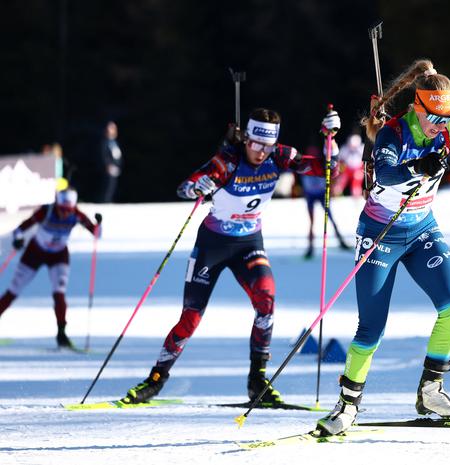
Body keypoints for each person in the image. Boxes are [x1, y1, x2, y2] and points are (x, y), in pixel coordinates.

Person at [315, 59, 450, 435]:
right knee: (371, 327)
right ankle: (347, 405)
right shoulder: (392, 132)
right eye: (433, 116)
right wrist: (419, 165)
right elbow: (385, 173)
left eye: (445, 116)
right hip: (381, 233)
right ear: (417, 107)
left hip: (421, 230)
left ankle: (431, 390)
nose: (440, 123)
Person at [121, 108, 341, 405]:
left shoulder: (280, 156)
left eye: (267, 145)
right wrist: (200, 186)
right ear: (246, 137)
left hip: (248, 243)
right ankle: (155, 380)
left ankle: (257, 381)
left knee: (266, 300)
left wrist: (330, 138)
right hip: (213, 245)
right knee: (191, 317)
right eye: (255, 144)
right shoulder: (227, 161)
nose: (261, 152)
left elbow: (328, 169)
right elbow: (185, 187)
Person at [0, 189, 101, 348]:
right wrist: (18, 240)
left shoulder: (77, 214)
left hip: (58, 254)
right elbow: (20, 229)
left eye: (68, 210)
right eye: (62, 209)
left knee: (59, 292)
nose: (65, 214)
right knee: (13, 290)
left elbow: (96, 233)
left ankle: (62, 334)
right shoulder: (46, 211)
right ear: (57, 204)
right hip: (35, 252)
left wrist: (98, 225)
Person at [300, 146, 351, 259]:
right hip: (311, 196)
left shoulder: (320, 164)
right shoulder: (304, 165)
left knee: (331, 218)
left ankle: (341, 241)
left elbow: (330, 177)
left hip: (321, 195)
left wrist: (331, 185)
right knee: (311, 222)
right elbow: (306, 183)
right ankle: (310, 248)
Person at [99, 121, 123, 203]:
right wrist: (108, 165)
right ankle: (105, 201)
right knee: (107, 187)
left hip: (116, 168)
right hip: (108, 168)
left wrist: (118, 165)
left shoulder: (115, 142)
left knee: (113, 186)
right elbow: (103, 155)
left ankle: (109, 200)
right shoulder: (105, 142)